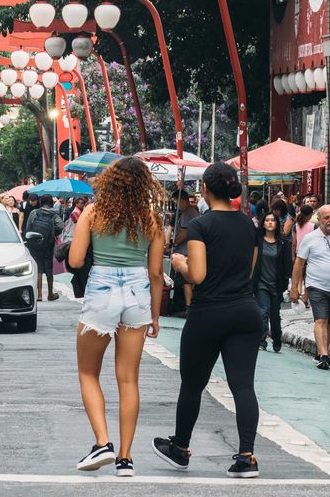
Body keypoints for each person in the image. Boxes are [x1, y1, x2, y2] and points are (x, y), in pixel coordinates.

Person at [154, 162, 264, 479]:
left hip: (208, 313)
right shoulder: (249, 225)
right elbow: (249, 271)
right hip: (245, 310)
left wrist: (179, 262)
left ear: (204, 189)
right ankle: (247, 456)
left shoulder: (201, 225)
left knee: (192, 384)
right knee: (243, 386)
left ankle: (181, 447)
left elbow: (198, 275)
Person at [70, 157, 164, 477]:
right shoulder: (152, 220)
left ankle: (102, 443)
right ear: (144, 186)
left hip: (102, 289)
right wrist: (154, 316)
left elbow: (75, 259)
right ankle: (125, 458)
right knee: (128, 379)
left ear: (109, 182)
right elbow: (156, 273)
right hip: (138, 293)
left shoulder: (93, 213)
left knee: (88, 372)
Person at [289, 204, 330, 369]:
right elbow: (299, 263)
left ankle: (321, 352)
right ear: (319, 220)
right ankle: (325, 356)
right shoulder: (310, 238)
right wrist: (295, 288)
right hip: (316, 285)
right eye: (327, 218)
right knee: (321, 319)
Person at [252, 212, 292, 353]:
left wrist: (288, 282)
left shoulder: (283, 243)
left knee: (275, 315)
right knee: (263, 311)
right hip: (261, 283)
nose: (269, 222)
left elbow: (288, 264)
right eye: (267, 220)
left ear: (277, 224)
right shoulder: (257, 241)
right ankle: (261, 341)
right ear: (263, 224)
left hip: (276, 284)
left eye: (272, 220)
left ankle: (276, 338)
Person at [24, 192, 63, 301]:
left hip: (35, 244)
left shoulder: (34, 213)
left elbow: (28, 228)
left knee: (38, 268)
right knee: (49, 268)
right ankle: (50, 294)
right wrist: (53, 232)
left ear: (41, 202)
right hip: (48, 244)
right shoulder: (54, 214)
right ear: (51, 203)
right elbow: (61, 226)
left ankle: (39, 295)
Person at [170, 188, 199, 313]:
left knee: (185, 280)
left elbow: (184, 233)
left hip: (185, 250)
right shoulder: (193, 212)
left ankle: (187, 307)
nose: (176, 205)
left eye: (176, 202)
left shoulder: (187, 213)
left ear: (182, 200)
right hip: (191, 249)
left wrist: (174, 242)